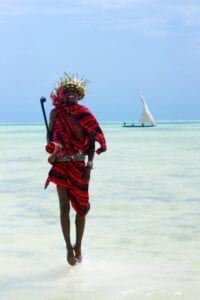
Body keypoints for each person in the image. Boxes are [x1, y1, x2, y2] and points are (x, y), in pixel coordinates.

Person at [44, 73, 107, 266]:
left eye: (74, 92)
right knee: (63, 208)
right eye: (67, 92)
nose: (71, 95)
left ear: (79, 96)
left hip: (80, 166)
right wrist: (53, 148)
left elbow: (90, 142)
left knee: (82, 209)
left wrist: (89, 165)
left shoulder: (84, 113)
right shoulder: (55, 113)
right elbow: (51, 139)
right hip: (61, 165)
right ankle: (68, 248)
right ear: (62, 94)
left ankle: (78, 245)